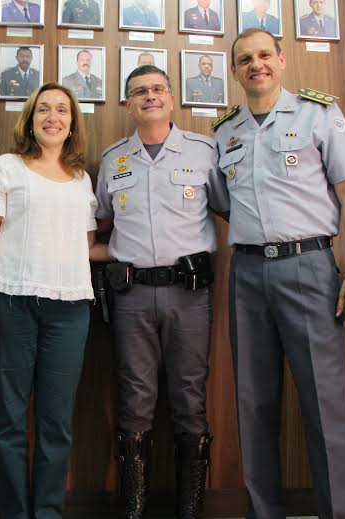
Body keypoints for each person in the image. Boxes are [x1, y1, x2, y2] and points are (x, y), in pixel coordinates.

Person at [213, 28, 345, 519]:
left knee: (326, 409)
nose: (255, 65)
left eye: (264, 55)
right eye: (245, 59)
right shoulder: (225, 132)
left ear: (281, 60)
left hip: (309, 269)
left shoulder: (318, 113)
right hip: (247, 274)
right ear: (235, 70)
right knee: (254, 406)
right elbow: (224, 204)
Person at [94, 65, 229, 519]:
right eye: (139, 92)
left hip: (189, 295)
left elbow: (230, 209)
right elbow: (102, 223)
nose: (149, 97)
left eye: (157, 89)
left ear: (171, 98)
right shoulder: (113, 159)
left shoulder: (203, 150)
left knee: (190, 399)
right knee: (135, 400)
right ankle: (134, 509)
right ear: (127, 104)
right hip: (131, 297)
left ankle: (190, 509)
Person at [0, 82, 100, 519]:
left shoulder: (82, 178)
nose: (52, 117)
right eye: (43, 109)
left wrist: (142, 251)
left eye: (62, 110)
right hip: (11, 304)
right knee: (9, 421)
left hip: (70, 311)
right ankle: (14, 512)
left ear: (72, 123)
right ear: (30, 119)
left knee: (56, 424)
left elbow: (87, 245)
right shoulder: (6, 167)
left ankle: (47, 512)